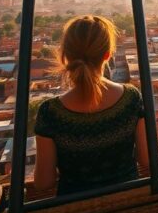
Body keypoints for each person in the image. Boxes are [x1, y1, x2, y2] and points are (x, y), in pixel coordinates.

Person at [34, 15, 144, 196]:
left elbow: (43, 183)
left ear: (66, 56)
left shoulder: (50, 113)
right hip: (128, 207)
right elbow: (148, 160)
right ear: (108, 55)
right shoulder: (130, 98)